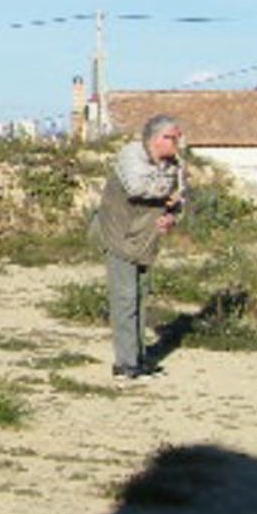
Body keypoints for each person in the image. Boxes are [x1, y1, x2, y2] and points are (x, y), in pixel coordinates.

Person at [89, 114, 186, 379]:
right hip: (118, 235)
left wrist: (171, 217)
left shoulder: (173, 164)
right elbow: (138, 187)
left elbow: (178, 201)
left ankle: (138, 357)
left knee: (141, 298)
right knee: (124, 299)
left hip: (145, 239)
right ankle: (125, 363)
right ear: (156, 139)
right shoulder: (131, 156)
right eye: (171, 137)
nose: (177, 142)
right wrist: (167, 194)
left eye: (178, 137)